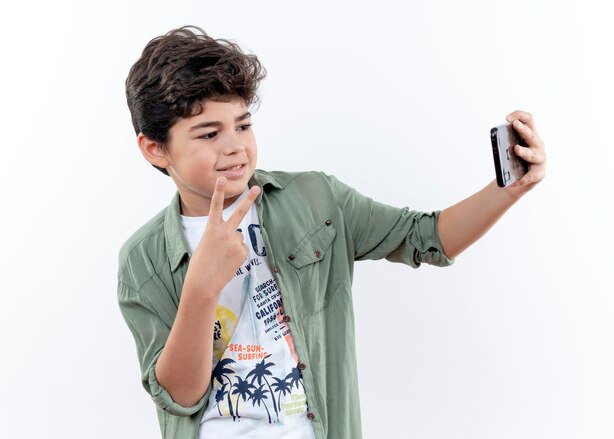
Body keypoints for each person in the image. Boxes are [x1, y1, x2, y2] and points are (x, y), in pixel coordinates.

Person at [117, 25, 547, 439]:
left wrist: (509, 189)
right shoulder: (143, 260)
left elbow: (425, 236)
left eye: (243, 125)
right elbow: (180, 396)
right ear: (155, 148)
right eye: (209, 133)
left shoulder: (314, 199)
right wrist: (201, 289)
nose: (235, 146)